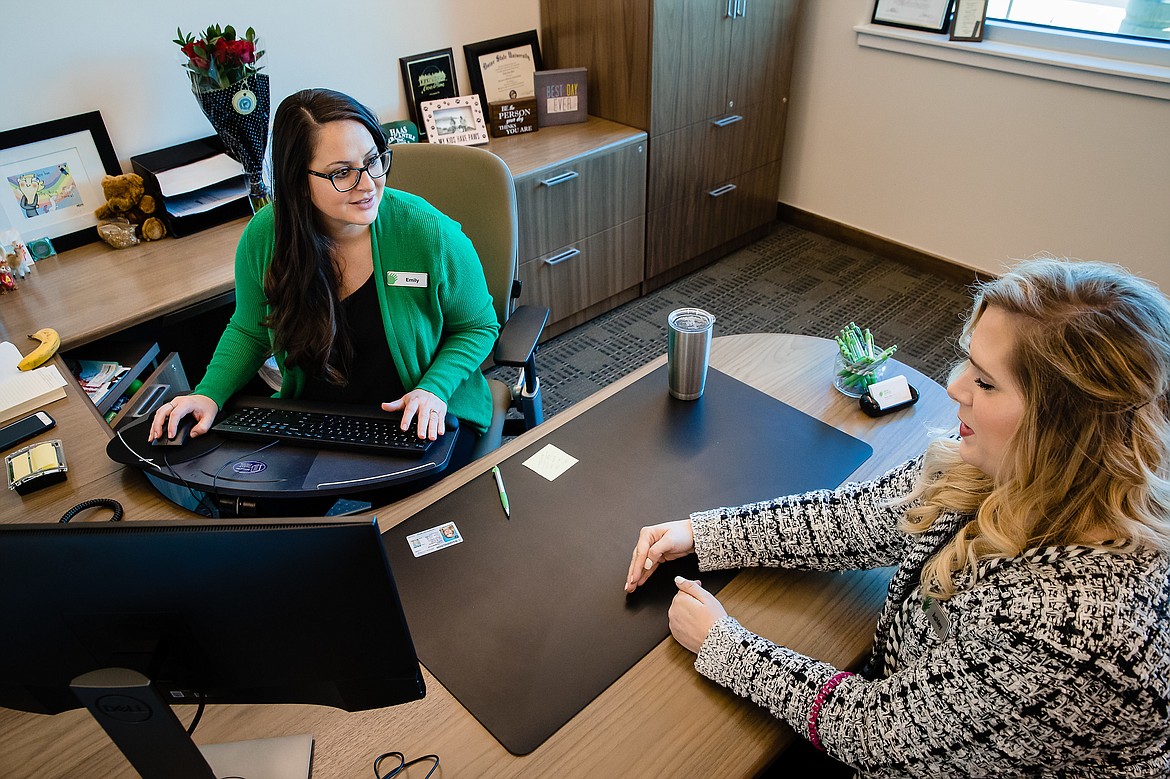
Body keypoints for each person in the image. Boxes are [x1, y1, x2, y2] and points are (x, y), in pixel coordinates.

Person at [625, 258, 1170, 777]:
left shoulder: (1080, 632)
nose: (954, 388)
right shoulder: (1000, 461)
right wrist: (707, 533)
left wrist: (727, 648)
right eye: (968, 365)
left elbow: (883, 736)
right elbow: (860, 518)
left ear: (1066, 429)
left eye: (985, 383)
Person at [150, 88, 499, 474]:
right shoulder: (266, 236)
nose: (368, 185)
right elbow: (250, 330)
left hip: (420, 413)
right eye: (341, 173)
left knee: (408, 523)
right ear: (299, 181)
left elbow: (478, 326)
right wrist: (209, 394)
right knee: (263, 512)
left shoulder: (428, 232)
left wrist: (435, 388)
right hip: (318, 415)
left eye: (373, 161)